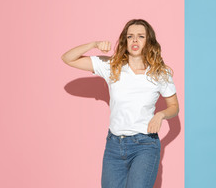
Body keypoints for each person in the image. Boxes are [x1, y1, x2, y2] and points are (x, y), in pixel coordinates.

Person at [61, 19, 179, 188]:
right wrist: (93, 44)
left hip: (145, 146)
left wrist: (160, 115)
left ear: (149, 41)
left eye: (140, 36)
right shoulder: (112, 66)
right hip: (114, 146)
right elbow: (68, 58)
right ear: (125, 40)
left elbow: (174, 107)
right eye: (130, 36)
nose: (135, 40)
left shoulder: (160, 72)